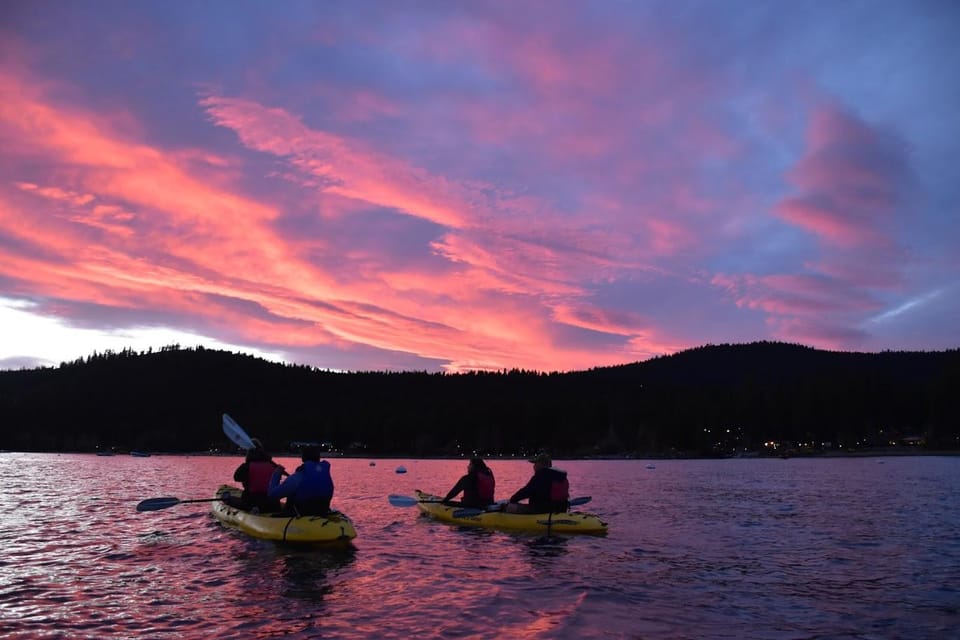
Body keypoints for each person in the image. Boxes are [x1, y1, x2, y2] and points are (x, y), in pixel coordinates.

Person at [268, 445, 334, 516]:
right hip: (322, 512)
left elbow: (272, 495)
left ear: (303, 458)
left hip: (300, 515)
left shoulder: (296, 478)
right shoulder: (325, 474)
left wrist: (277, 473)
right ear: (318, 458)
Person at [504, 452, 569, 514]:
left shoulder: (541, 476)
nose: (534, 466)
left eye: (535, 463)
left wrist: (512, 500)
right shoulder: (562, 476)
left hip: (541, 510)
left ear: (541, 464)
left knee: (510, 507)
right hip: (561, 509)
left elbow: (526, 491)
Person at [229, 438, 282, 513]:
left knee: (231, 500)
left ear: (249, 452)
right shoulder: (273, 466)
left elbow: (236, 477)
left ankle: (253, 509)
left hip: (252, 502)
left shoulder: (246, 466)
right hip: (272, 503)